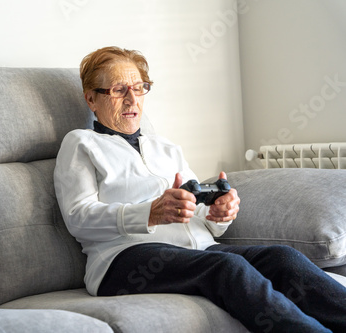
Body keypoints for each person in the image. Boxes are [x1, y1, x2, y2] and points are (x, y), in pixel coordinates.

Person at [53, 46, 346, 333]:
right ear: (91, 99)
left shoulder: (166, 147)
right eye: (118, 90)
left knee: (283, 259)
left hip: (202, 251)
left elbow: (204, 216)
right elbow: (78, 217)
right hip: (123, 258)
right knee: (227, 267)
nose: (132, 99)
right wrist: (149, 214)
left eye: (139, 87)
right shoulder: (81, 144)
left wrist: (220, 212)